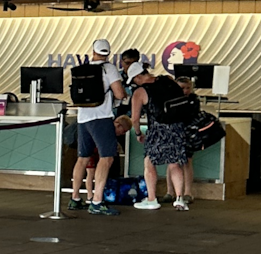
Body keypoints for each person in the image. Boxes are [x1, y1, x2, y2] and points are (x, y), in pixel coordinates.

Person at [68, 39, 125, 216]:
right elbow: (119, 93)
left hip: (83, 117)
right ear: (109, 52)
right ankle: (97, 200)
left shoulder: (83, 68)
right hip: (101, 117)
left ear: (93, 50)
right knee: (106, 157)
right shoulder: (109, 68)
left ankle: (75, 198)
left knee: (82, 158)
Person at [130, 63, 196, 210]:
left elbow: (135, 118)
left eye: (134, 80)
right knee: (174, 163)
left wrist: (139, 133)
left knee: (149, 162)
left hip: (157, 129)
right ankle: (179, 198)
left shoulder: (140, 92)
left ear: (138, 76)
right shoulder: (168, 80)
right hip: (177, 127)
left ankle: (152, 199)